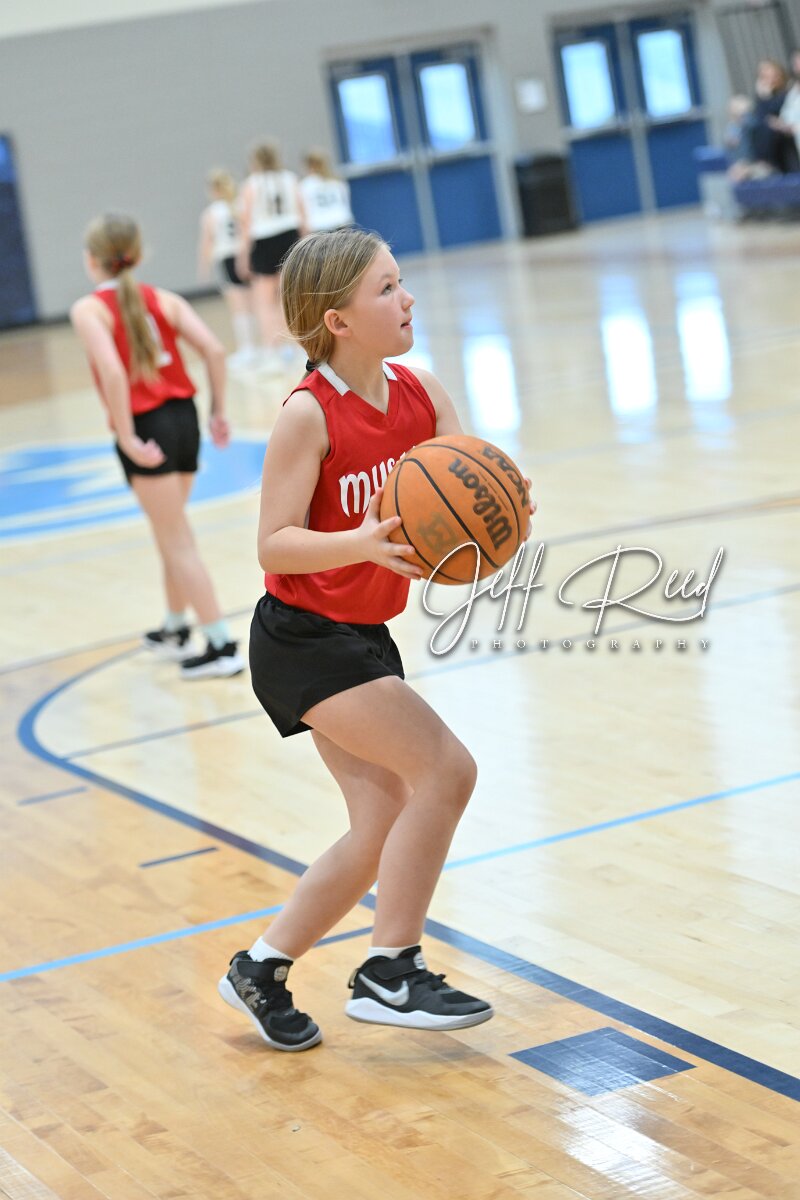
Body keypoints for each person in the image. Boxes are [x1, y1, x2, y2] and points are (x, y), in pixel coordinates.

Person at [218, 228, 533, 1051]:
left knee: (381, 818)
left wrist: (505, 505)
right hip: (301, 637)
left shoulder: (421, 393)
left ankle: (261, 967)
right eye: (386, 288)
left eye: (401, 281)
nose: (407, 297)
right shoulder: (307, 414)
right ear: (338, 321)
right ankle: (390, 968)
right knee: (447, 769)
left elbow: (467, 484)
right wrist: (358, 542)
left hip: (363, 633)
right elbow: (273, 544)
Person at [70, 213, 245, 679]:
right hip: (184, 418)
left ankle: (221, 644)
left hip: (146, 423)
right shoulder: (164, 299)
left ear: (92, 260)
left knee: (176, 538)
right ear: (138, 253)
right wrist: (218, 412)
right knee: (171, 530)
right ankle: (175, 627)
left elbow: (112, 371)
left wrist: (126, 435)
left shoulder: (89, 309)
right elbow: (214, 350)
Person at [237, 141, 306, 373]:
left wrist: (243, 255)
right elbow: (303, 215)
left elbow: (246, 223)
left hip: (264, 240)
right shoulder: (290, 179)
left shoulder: (250, 184)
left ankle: (273, 352)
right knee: (291, 296)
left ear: (255, 160)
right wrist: (307, 243)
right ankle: (299, 347)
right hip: (290, 236)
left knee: (265, 301)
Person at [197, 167, 255, 370]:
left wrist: (203, 268)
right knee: (255, 303)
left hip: (227, 259)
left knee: (238, 307)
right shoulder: (240, 205)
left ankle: (248, 349)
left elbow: (207, 242)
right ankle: (263, 347)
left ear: (213, 190)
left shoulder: (211, 213)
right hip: (246, 255)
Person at [300, 149, 355, 233]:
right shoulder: (337, 181)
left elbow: (305, 210)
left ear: (310, 165)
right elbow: (345, 204)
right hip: (341, 221)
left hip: (320, 225)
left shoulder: (305, 185)